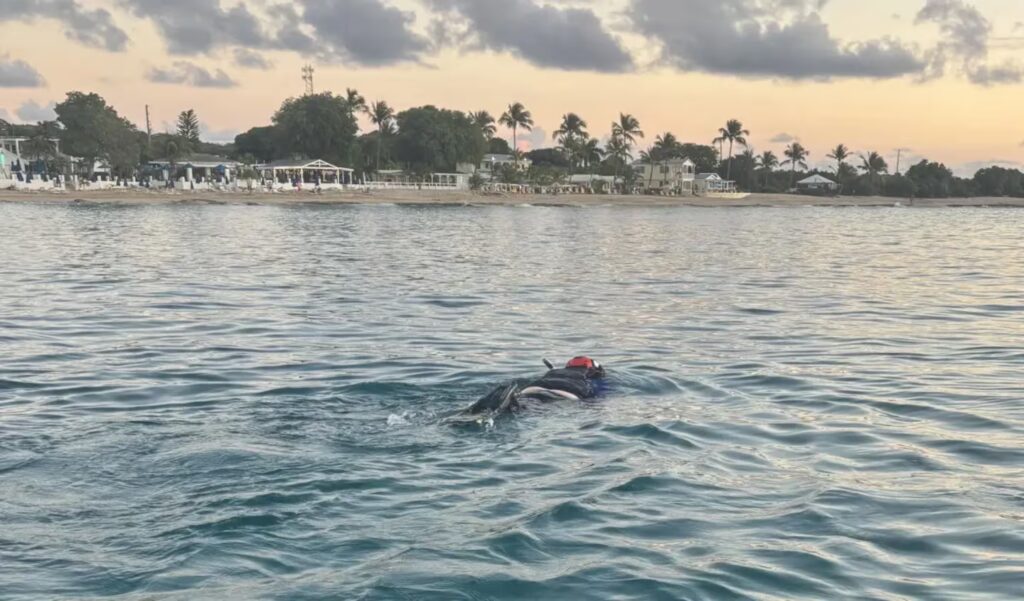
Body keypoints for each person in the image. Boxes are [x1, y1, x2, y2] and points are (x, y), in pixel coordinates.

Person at [461, 357, 607, 418]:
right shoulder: (593, 379)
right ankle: (513, 406)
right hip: (565, 395)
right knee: (535, 409)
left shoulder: (554, 372)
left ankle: (509, 402)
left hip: (532, 389)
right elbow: (595, 400)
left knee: (528, 401)